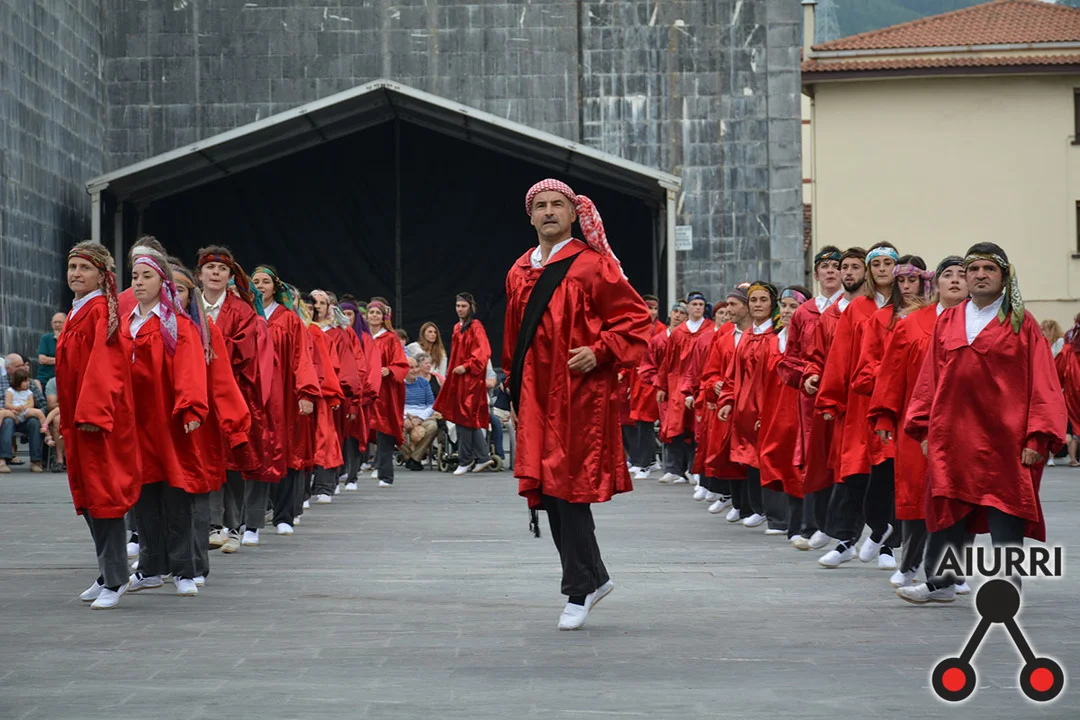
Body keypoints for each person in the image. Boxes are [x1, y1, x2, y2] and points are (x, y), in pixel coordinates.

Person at [504, 178, 651, 631]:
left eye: (557, 204)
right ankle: (592, 579)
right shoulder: (518, 271)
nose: (548, 211)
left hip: (578, 397)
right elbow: (513, 338)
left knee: (567, 488)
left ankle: (581, 586)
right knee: (550, 491)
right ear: (530, 216)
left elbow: (636, 321)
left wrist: (600, 350)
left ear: (573, 214)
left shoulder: (592, 266)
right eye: (540, 205)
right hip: (533, 395)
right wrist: (512, 391)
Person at [900, 243, 1067, 604]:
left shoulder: (1021, 322)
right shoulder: (948, 320)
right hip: (953, 436)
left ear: (1004, 277)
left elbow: (1043, 381)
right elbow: (930, 378)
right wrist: (925, 428)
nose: (979, 276)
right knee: (947, 509)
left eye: (988, 269)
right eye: (973, 269)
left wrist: (1037, 437)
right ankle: (941, 583)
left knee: (1006, 514)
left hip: (1006, 440)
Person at [870, 256, 969, 588]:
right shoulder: (912, 324)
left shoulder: (979, 324)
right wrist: (885, 415)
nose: (955, 280)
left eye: (962, 274)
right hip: (916, 423)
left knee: (959, 497)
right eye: (948, 274)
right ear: (935, 283)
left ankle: (952, 572)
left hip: (965, 425)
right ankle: (910, 563)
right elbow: (891, 373)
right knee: (914, 494)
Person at [57, 241, 142, 609]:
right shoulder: (77, 311)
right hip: (78, 420)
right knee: (89, 497)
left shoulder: (100, 313)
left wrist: (91, 414)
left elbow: (105, 367)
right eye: (72, 267)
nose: (76, 273)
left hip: (97, 421)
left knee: (103, 497)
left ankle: (117, 577)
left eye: (84, 268)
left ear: (101, 275)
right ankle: (108, 572)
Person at [124, 247, 210, 598]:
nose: (139, 282)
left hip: (168, 421)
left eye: (147, 276)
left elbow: (190, 370)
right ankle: (150, 567)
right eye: (135, 276)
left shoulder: (177, 325)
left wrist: (190, 409)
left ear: (163, 282)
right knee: (143, 498)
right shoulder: (125, 324)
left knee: (176, 496)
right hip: (134, 424)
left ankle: (184, 569)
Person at [197, 245, 278, 555]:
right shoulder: (189, 306)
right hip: (198, 392)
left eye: (222, 269)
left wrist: (210, 346)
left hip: (232, 392)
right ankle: (211, 524)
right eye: (210, 268)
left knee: (232, 460)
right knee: (204, 458)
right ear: (200, 274)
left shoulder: (242, 310)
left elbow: (245, 351)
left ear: (230, 276)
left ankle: (232, 526)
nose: (215, 273)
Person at [777, 247, 844, 550]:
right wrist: (806, 375)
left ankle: (843, 526)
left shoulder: (852, 308)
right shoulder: (804, 313)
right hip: (812, 398)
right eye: (824, 267)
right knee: (814, 459)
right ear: (815, 274)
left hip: (845, 396)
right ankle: (812, 524)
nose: (831, 271)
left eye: (836, 266)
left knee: (843, 457)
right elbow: (790, 358)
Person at [252, 266, 319, 543]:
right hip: (254, 396)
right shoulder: (246, 315)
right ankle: (252, 521)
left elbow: (302, 357)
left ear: (275, 286)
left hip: (285, 397)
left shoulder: (288, 318)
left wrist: (306, 392)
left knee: (287, 452)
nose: (260, 286)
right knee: (254, 455)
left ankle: (284, 516)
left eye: (265, 281)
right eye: (255, 282)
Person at [718, 282, 788, 533]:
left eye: (763, 300)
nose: (758, 305)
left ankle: (776, 514)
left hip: (767, 406)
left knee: (770, 458)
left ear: (772, 304)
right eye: (754, 300)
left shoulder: (777, 336)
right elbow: (732, 374)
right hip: (744, 408)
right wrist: (727, 400)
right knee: (749, 460)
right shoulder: (746, 336)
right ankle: (758, 508)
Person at [758, 285, 813, 541]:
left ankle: (801, 524)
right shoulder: (771, 341)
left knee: (799, 466)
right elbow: (759, 383)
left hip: (801, 412)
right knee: (771, 460)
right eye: (785, 306)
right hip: (774, 412)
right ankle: (777, 518)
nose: (788, 311)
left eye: (794, 306)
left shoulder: (810, 340)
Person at [697, 286, 751, 519]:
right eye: (727, 305)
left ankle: (754, 507)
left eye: (733, 304)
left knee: (752, 456)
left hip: (751, 405)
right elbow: (709, 372)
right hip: (729, 406)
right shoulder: (725, 338)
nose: (728, 310)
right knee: (731, 455)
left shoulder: (763, 336)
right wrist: (714, 384)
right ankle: (737, 502)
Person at [655, 292, 713, 483]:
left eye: (701, 305)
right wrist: (662, 385)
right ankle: (674, 469)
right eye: (694, 304)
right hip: (677, 384)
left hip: (700, 383)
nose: (697, 308)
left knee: (695, 428)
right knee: (675, 427)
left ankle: (693, 468)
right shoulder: (679, 332)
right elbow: (668, 361)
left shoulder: (710, 330)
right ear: (687, 307)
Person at [435, 292, 495, 475]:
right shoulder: (457, 327)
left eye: (463, 306)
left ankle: (465, 460)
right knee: (465, 419)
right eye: (458, 306)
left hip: (471, 380)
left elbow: (483, 352)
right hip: (459, 379)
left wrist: (467, 366)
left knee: (465, 418)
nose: (460, 309)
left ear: (471, 307)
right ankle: (482, 457)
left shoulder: (476, 327)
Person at [640, 302, 687, 481]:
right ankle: (671, 468)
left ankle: (686, 469)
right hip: (666, 391)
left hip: (683, 389)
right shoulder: (658, 340)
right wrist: (659, 383)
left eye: (682, 312)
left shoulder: (689, 338)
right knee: (667, 428)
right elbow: (648, 366)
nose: (677, 315)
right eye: (675, 311)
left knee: (686, 430)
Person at [367, 301, 410, 487]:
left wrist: (389, 370)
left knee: (384, 432)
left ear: (383, 317)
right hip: (363, 390)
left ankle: (385, 474)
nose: (374, 315)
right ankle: (351, 472)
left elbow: (402, 364)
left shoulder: (391, 338)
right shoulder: (362, 336)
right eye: (371, 312)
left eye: (378, 313)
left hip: (384, 392)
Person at [626, 295, 667, 478]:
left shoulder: (661, 330)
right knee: (639, 422)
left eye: (655, 308)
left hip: (651, 381)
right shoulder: (637, 328)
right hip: (637, 380)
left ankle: (645, 463)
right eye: (649, 308)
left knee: (647, 422)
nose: (652, 312)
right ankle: (646, 461)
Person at [0, 367, 46, 473]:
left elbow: (41, 403)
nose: (23, 367)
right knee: (7, 421)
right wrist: (12, 409)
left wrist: (31, 411)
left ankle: (35, 460)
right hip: (9, 415)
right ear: (8, 368)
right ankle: (3, 459)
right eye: (17, 366)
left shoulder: (30, 386)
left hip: (26, 416)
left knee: (34, 422)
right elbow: (7, 403)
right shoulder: (6, 386)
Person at [402, 356, 438, 469]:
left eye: (416, 367)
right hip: (403, 415)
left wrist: (420, 418)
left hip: (422, 415)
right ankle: (410, 456)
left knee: (432, 427)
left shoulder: (424, 383)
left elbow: (431, 405)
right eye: (411, 367)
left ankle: (414, 458)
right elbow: (394, 405)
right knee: (394, 429)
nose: (415, 370)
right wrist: (404, 418)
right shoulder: (397, 384)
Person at [36, 312, 66, 385]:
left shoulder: (71, 338)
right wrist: (62, 361)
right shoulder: (46, 338)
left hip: (64, 379)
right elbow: (42, 359)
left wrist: (60, 340)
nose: (57, 325)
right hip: (45, 378)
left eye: (60, 322)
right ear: (51, 324)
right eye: (55, 322)